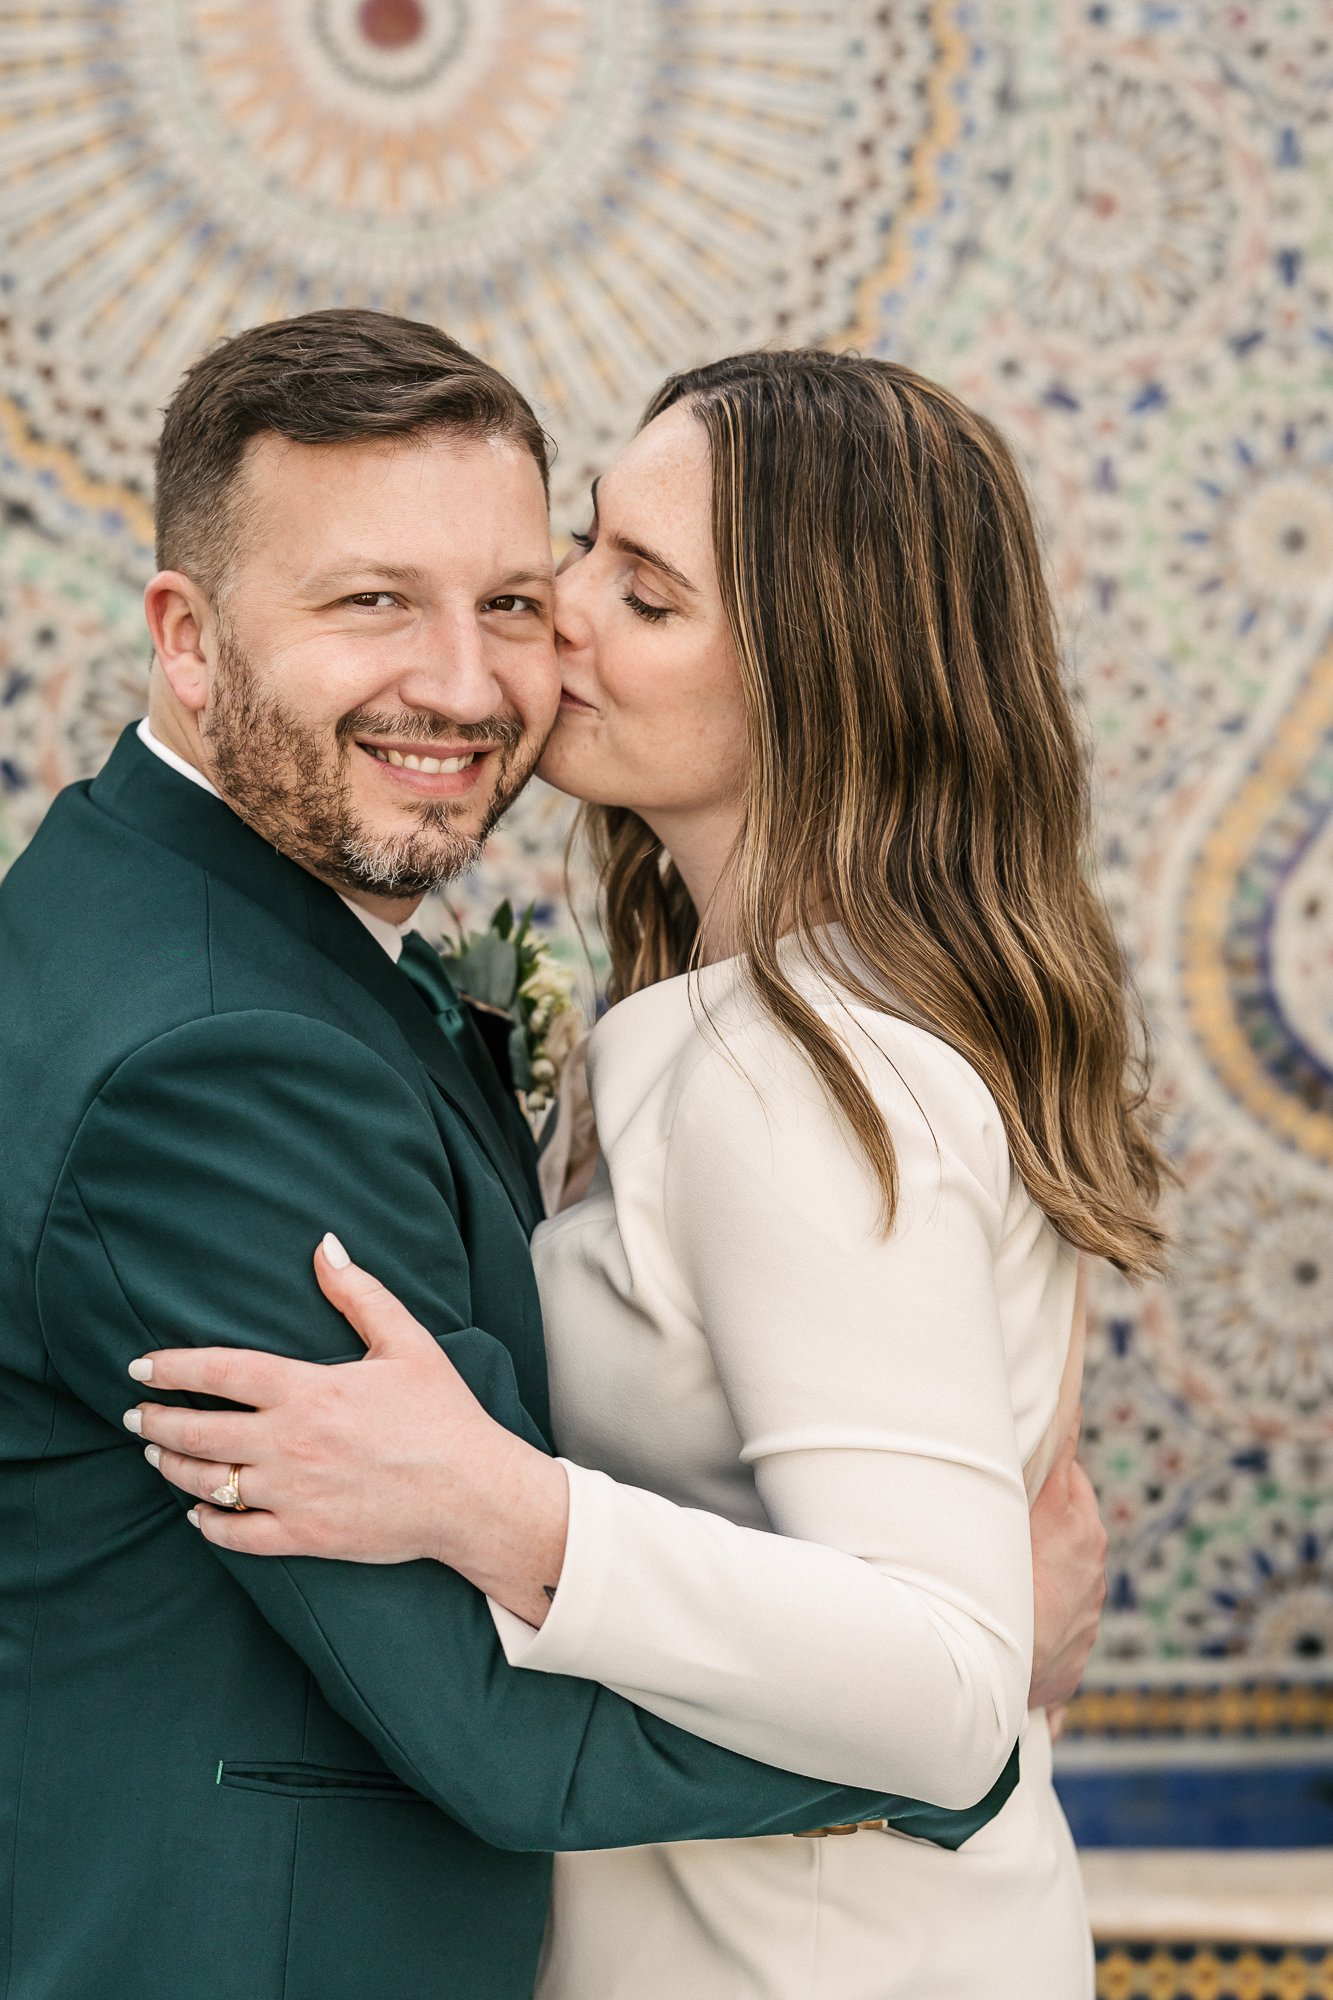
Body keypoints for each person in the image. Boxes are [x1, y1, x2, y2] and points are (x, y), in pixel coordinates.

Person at [0, 316, 1105, 2000]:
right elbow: (510, 1719)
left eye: (567, 591)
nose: (508, 659)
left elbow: (930, 1649)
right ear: (188, 641)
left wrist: (950, 1693)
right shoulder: (220, 1047)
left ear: (821, 672)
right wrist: (967, 1721)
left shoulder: (789, 1061)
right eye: (373, 600)